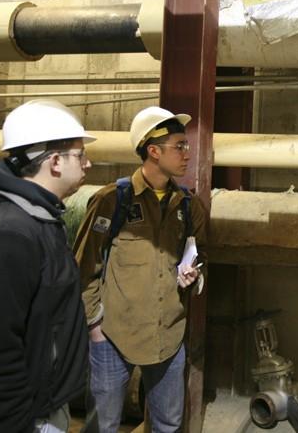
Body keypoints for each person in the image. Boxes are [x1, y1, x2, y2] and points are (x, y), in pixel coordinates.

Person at [0, 100, 95, 433]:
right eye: (80, 154)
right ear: (55, 162)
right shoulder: (8, 236)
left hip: (44, 409)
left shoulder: (42, 221)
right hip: (24, 421)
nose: (88, 164)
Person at [75, 106, 207, 433]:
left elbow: (198, 257)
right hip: (113, 336)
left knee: (168, 424)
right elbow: (83, 267)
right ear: (153, 151)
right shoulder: (112, 201)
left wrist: (193, 276)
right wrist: (95, 325)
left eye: (186, 146)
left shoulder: (189, 206)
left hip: (168, 336)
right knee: (102, 426)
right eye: (179, 146)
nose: (187, 154)